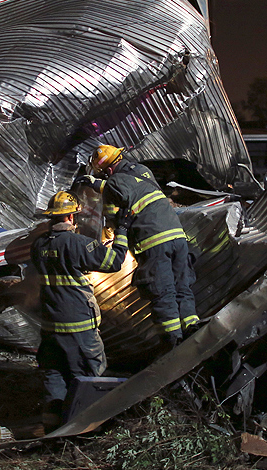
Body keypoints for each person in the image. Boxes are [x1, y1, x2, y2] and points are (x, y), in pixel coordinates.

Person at [82, 144, 198, 353]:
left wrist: (112, 236)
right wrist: (101, 185)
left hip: (153, 242)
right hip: (178, 236)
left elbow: (113, 219)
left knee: (162, 293)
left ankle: (173, 345)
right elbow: (130, 186)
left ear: (107, 171)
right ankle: (192, 328)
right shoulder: (144, 171)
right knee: (182, 287)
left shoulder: (112, 184)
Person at [30, 190, 129, 429]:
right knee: (88, 377)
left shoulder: (38, 246)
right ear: (71, 218)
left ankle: (54, 427)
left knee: (55, 376)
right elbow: (114, 261)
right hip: (79, 328)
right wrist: (122, 231)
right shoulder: (78, 244)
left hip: (50, 328)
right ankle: (88, 428)